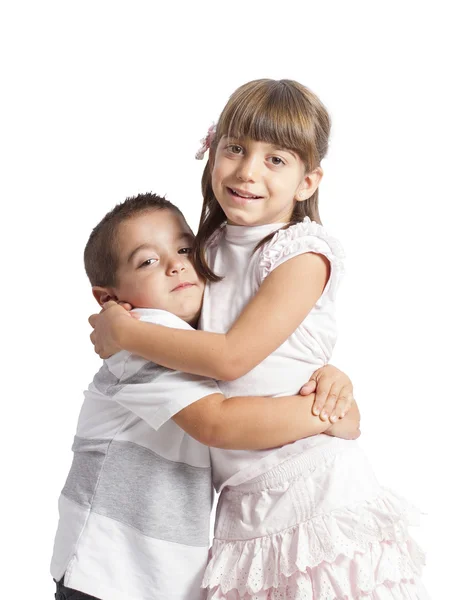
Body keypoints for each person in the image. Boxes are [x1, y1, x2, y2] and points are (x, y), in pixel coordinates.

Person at [90, 79, 430, 599]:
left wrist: (128, 332)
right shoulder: (203, 249)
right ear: (213, 154)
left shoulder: (301, 255)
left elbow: (231, 358)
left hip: (315, 488)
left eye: (276, 159)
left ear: (307, 182)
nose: (248, 170)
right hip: (240, 504)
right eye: (235, 149)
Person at [51, 193, 358, 600]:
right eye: (148, 261)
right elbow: (218, 423)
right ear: (109, 300)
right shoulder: (140, 335)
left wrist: (331, 380)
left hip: (156, 574)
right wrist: (328, 413)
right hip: (107, 570)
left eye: (183, 248)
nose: (176, 264)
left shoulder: (196, 342)